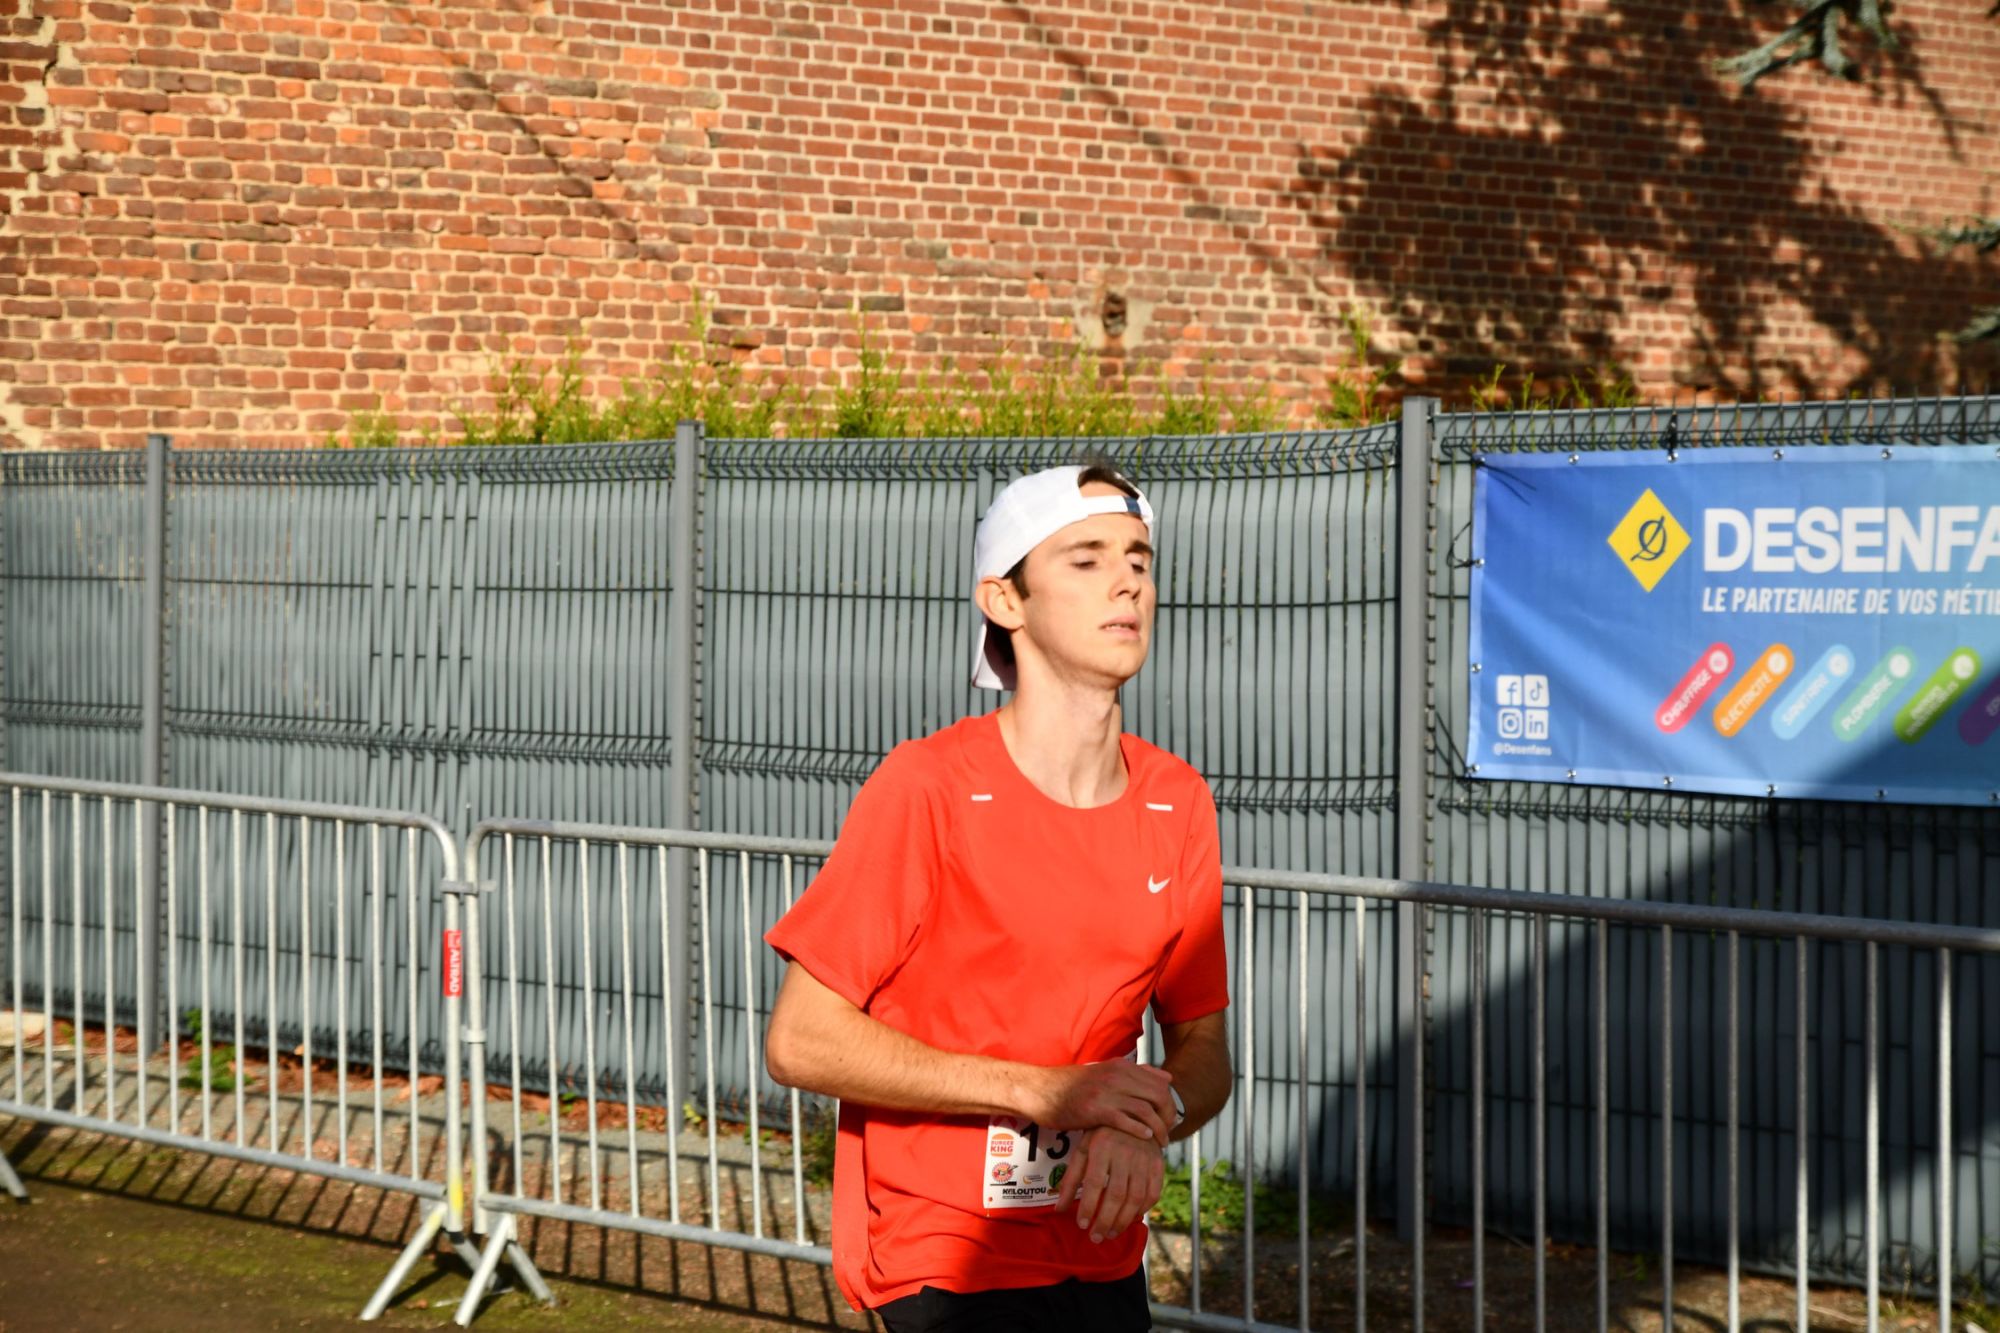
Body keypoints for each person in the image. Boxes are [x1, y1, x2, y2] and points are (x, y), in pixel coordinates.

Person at [763, 461, 1233, 1333]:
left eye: (1139, 558)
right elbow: (801, 1040)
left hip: (1098, 1245)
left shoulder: (1178, 799)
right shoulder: (928, 786)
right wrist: (1049, 1092)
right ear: (1004, 600)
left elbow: (1204, 1045)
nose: (1129, 580)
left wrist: (1146, 1119)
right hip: (945, 1256)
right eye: (1086, 559)